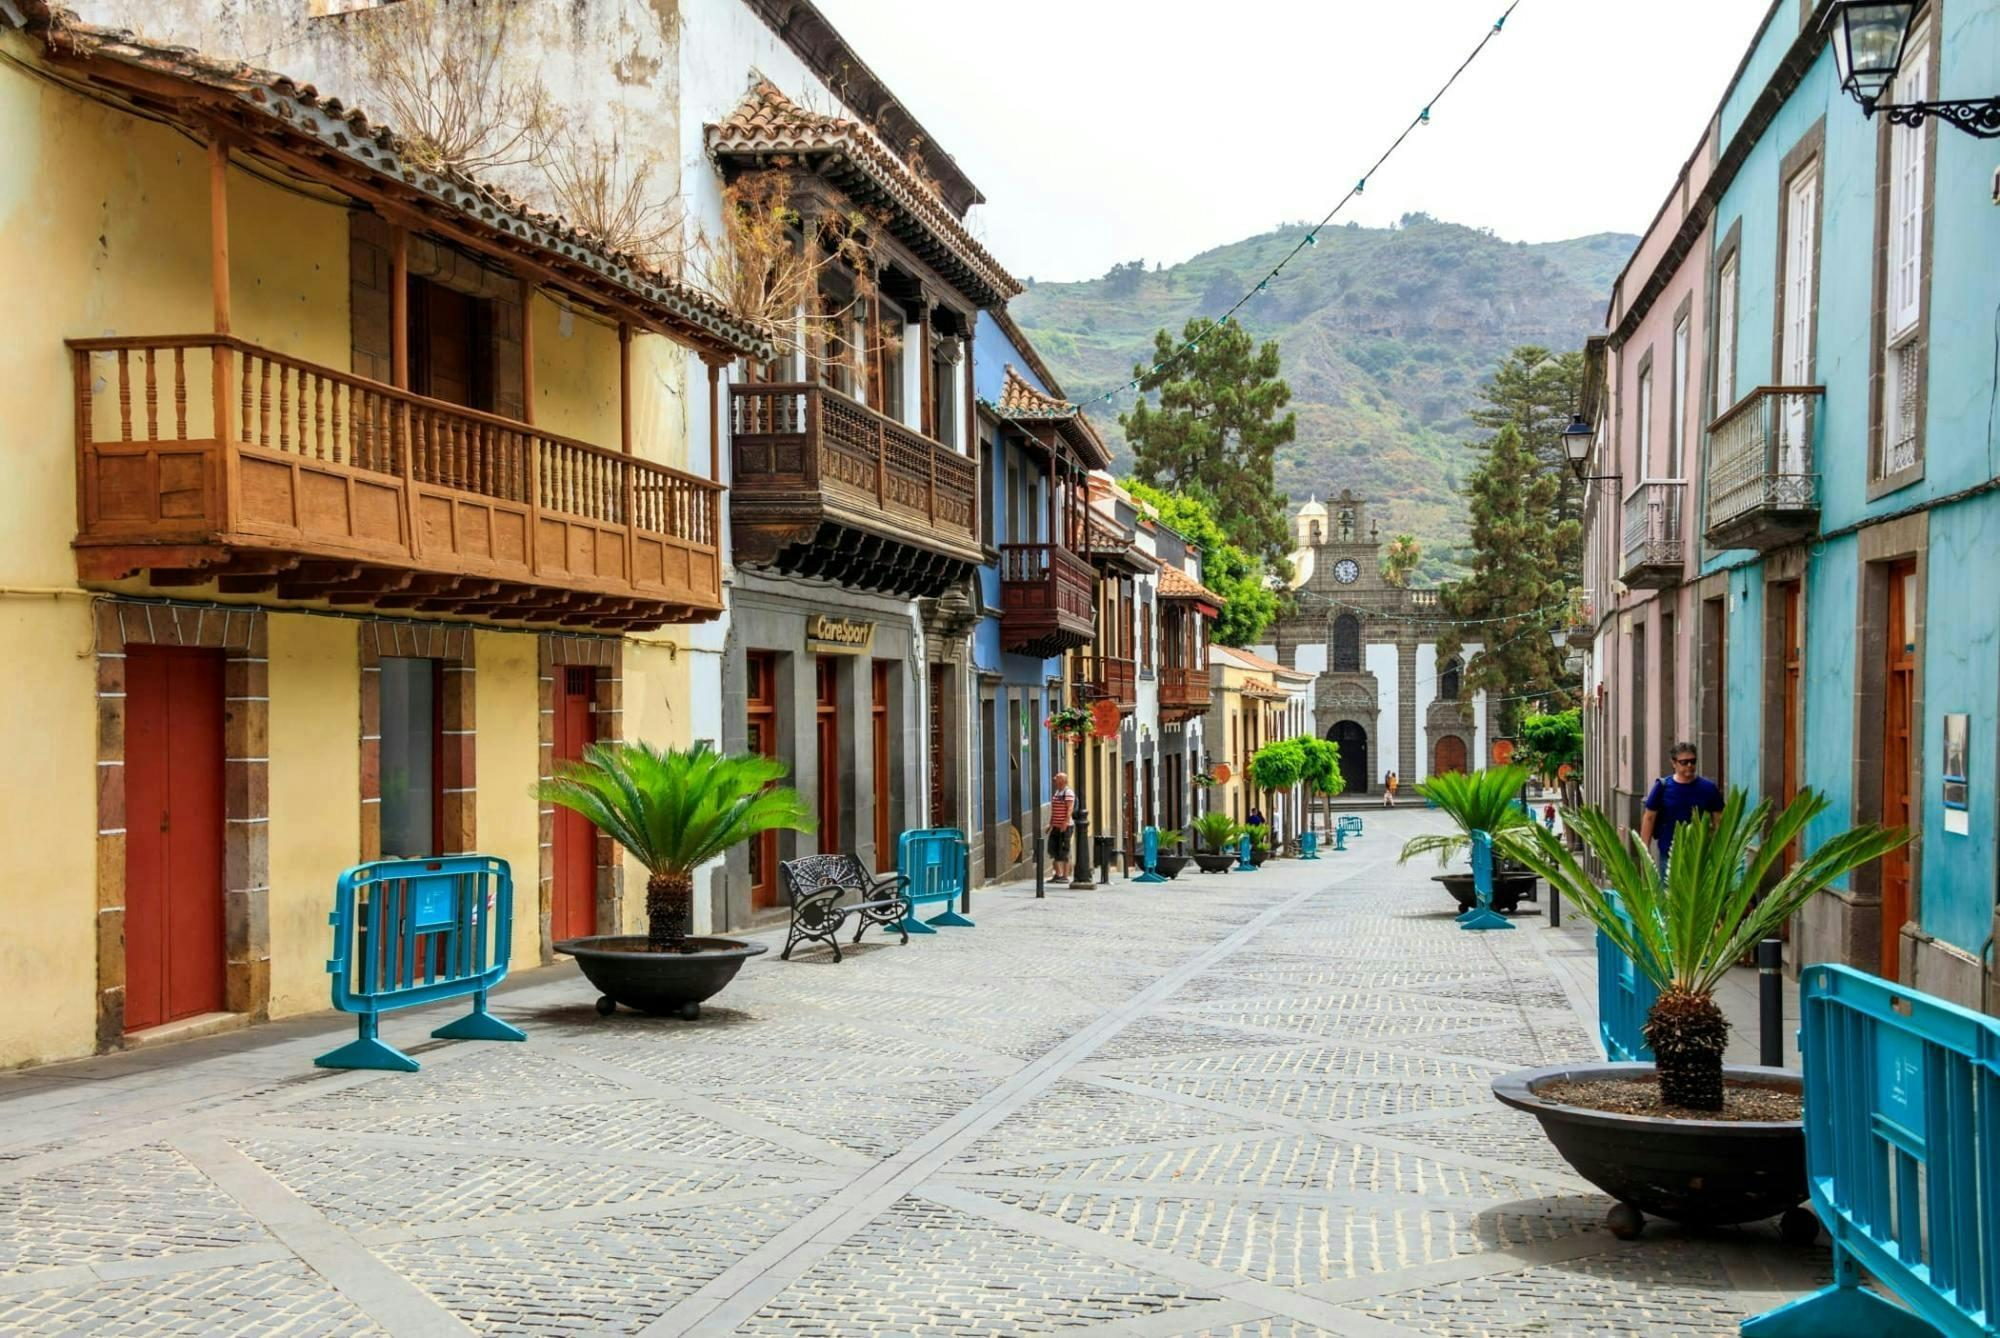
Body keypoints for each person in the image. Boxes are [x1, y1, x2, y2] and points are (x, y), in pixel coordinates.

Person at [1640, 743, 1724, 869]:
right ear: (1674, 763)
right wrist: (1644, 852)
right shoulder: (1662, 787)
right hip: (1669, 855)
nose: (1690, 765)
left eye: (1693, 761)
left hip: (1701, 855)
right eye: (1684, 762)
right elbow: (1649, 817)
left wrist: (1721, 851)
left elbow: (1719, 820)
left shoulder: (1709, 788)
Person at [1048, 772, 1076, 879]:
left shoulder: (1068, 793)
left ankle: (1065, 876)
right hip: (1056, 826)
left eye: (1057, 778)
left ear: (1063, 781)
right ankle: (1058, 874)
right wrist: (1050, 824)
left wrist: (1065, 823)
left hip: (1066, 826)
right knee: (1053, 849)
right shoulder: (1057, 792)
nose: (1055, 779)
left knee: (1064, 850)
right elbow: (1054, 810)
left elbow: (1069, 809)